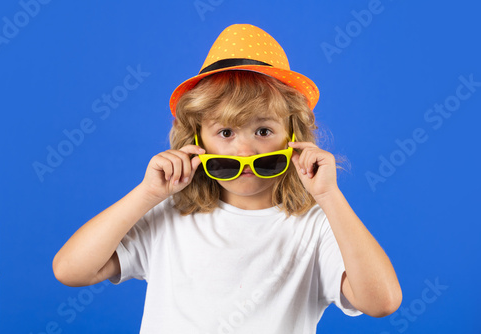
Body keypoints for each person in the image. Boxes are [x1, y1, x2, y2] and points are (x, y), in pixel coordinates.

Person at [53, 24, 402, 333]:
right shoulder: (168, 215)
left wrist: (330, 197)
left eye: (263, 130)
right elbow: (71, 270)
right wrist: (146, 194)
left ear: (293, 135)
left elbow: (381, 302)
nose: (245, 150)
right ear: (196, 140)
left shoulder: (316, 227)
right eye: (225, 132)